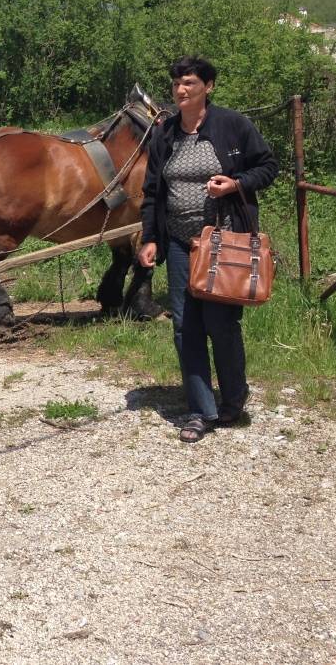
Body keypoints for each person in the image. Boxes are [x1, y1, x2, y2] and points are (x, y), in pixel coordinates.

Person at [137, 56, 278, 443]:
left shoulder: (233, 125)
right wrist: (150, 238)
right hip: (182, 244)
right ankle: (201, 409)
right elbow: (152, 192)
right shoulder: (165, 133)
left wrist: (235, 184)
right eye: (176, 85)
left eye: (190, 83)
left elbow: (268, 166)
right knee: (185, 326)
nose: (181, 91)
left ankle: (233, 399)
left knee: (221, 323)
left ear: (208, 87)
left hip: (224, 243)